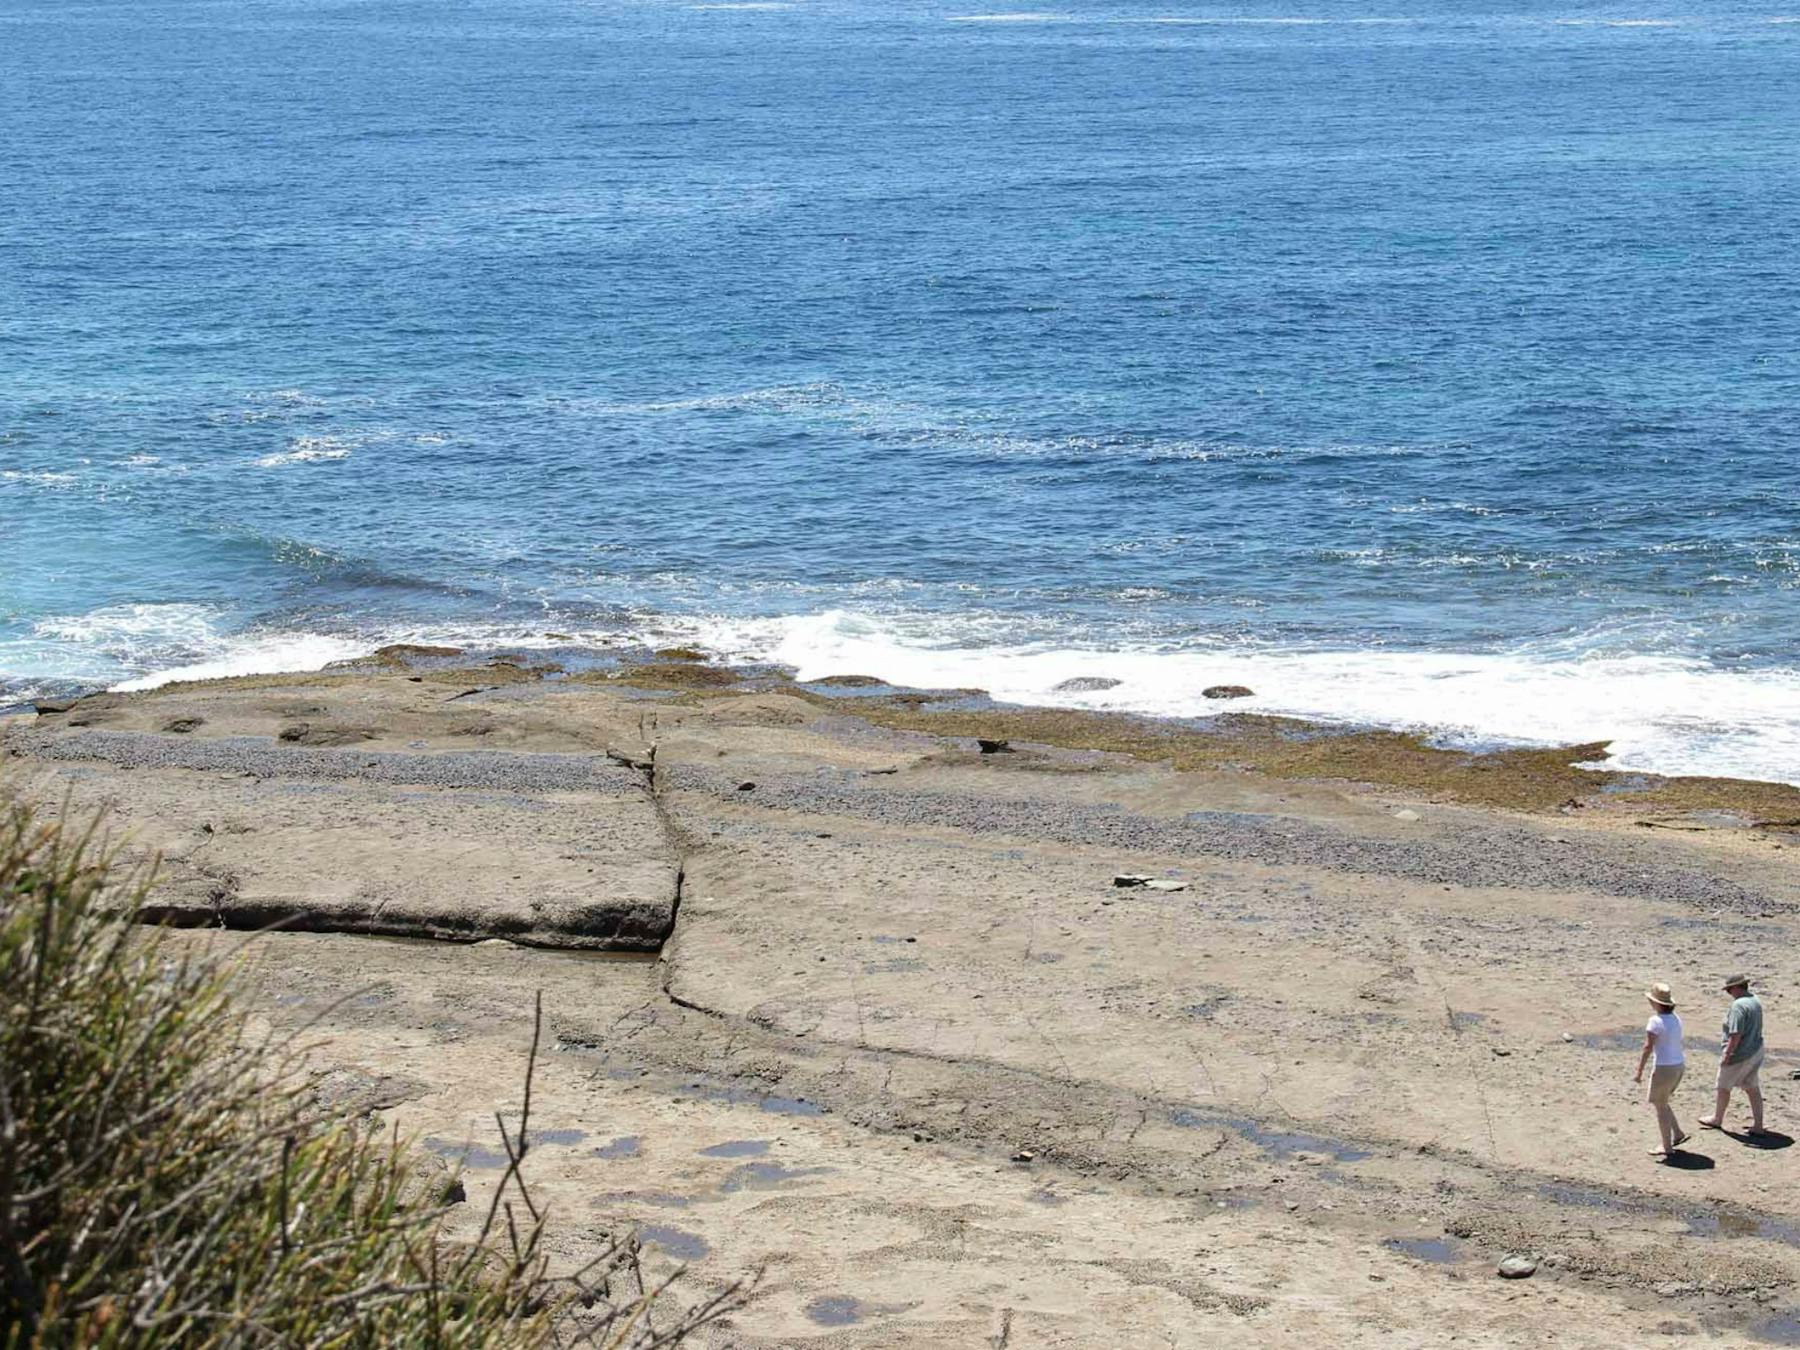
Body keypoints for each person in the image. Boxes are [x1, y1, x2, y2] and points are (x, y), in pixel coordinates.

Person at [1698, 974, 1766, 1135]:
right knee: (1752, 1087)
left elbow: (1735, 1034)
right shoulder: (1755, 1000)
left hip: (1740, 1054)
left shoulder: (1738, 1006)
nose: (1729, 993)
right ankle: (1758, 1125)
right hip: (1756, 1049)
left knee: (1723, 1087)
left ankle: (1717, 1118)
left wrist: (1727, 1055)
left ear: (1736, 987)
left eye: (1729, 989)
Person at [1635, 982, 1690, 1158]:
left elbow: (1647, 1047)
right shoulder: (1676, 1019)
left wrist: (1639, 1071)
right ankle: (1678, 1133)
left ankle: (1666, 1147)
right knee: (1663, 1102)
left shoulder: (1655, 1021)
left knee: (1660, 1107)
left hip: (1664, 1067)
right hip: (1678, 1065)